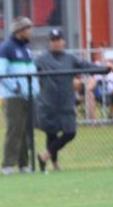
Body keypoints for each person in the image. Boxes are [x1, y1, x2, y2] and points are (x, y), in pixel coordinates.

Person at [34, 29, 106, 172]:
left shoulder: (70, 58)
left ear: (63, 41)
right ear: (49, 42)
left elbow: (86, 65)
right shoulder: (41, 60)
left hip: (66, 102)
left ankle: (44, 156)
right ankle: (54, 165)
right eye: (53, 40)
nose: (56, 43)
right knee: (51, 134)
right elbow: (29, 71)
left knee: (70, 133)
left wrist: (104, 69)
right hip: (48, 103)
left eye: (58, 40)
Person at [0, 16, 39, 175]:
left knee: (26, 131)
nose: (30, 31)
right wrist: (16, 88)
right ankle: (8, 165)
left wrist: (35, 89)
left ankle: (23, 164)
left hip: (28, 95)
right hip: (13, 97)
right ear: (19, 31)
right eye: (27, 28)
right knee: (14, 130)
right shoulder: (5, 48)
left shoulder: (26, 49)